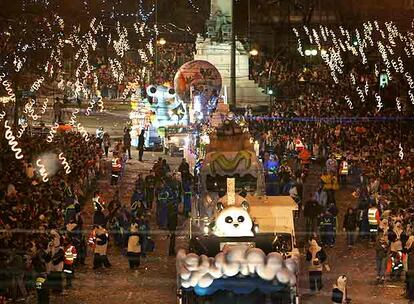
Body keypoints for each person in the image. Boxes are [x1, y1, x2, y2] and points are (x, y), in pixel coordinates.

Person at [405, 236, 414, 301]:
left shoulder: (410, 254)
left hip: (411, 271)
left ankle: (411, 297)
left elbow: (408, 263)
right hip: (411, 271)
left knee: (411, 284)